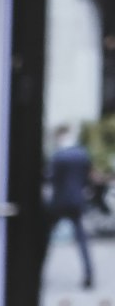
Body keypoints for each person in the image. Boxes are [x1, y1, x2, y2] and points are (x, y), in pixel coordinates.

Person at [45, 124, 95, 289]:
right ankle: (89, 274)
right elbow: (87, 178)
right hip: (76, 201)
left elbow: (52, 179)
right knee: (82, 240)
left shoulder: (58, 156)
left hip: (59, 202)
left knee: (46, 240)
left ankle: (39, 271)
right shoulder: (82, 154)